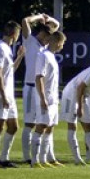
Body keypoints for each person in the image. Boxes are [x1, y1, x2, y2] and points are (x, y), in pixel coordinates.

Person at [20, 12, 61, 164]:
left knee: (47, 124)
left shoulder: (45, 49)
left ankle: (47, 156)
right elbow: (24, 21)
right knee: (30, 123)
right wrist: (38, 17)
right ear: (41, 33)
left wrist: (48, 18)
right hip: (31, 86)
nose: (46, 40)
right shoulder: (29, 40)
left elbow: (57, 26)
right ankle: (27, 157)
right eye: (45, 36)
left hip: (42, 88)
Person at [0, 20, 25, 168]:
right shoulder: (0, 49)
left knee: (13, 126)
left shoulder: (8, 49)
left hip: (8, 93)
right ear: (14, 33)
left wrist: (20, 56)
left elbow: (9, 71)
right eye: (18, 33)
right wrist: (3, 95)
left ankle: (4, 158)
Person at [32, 30, 67, 167]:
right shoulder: (43, 56)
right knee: (41, 126)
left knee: (50, 128)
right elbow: (39, 77)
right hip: (45, 98)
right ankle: (34, 161)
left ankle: (44, 159)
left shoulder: (51, 56)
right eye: (62, 43)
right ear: (57, 42)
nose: (62, 47)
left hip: (53, 98)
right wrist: (42, 98)